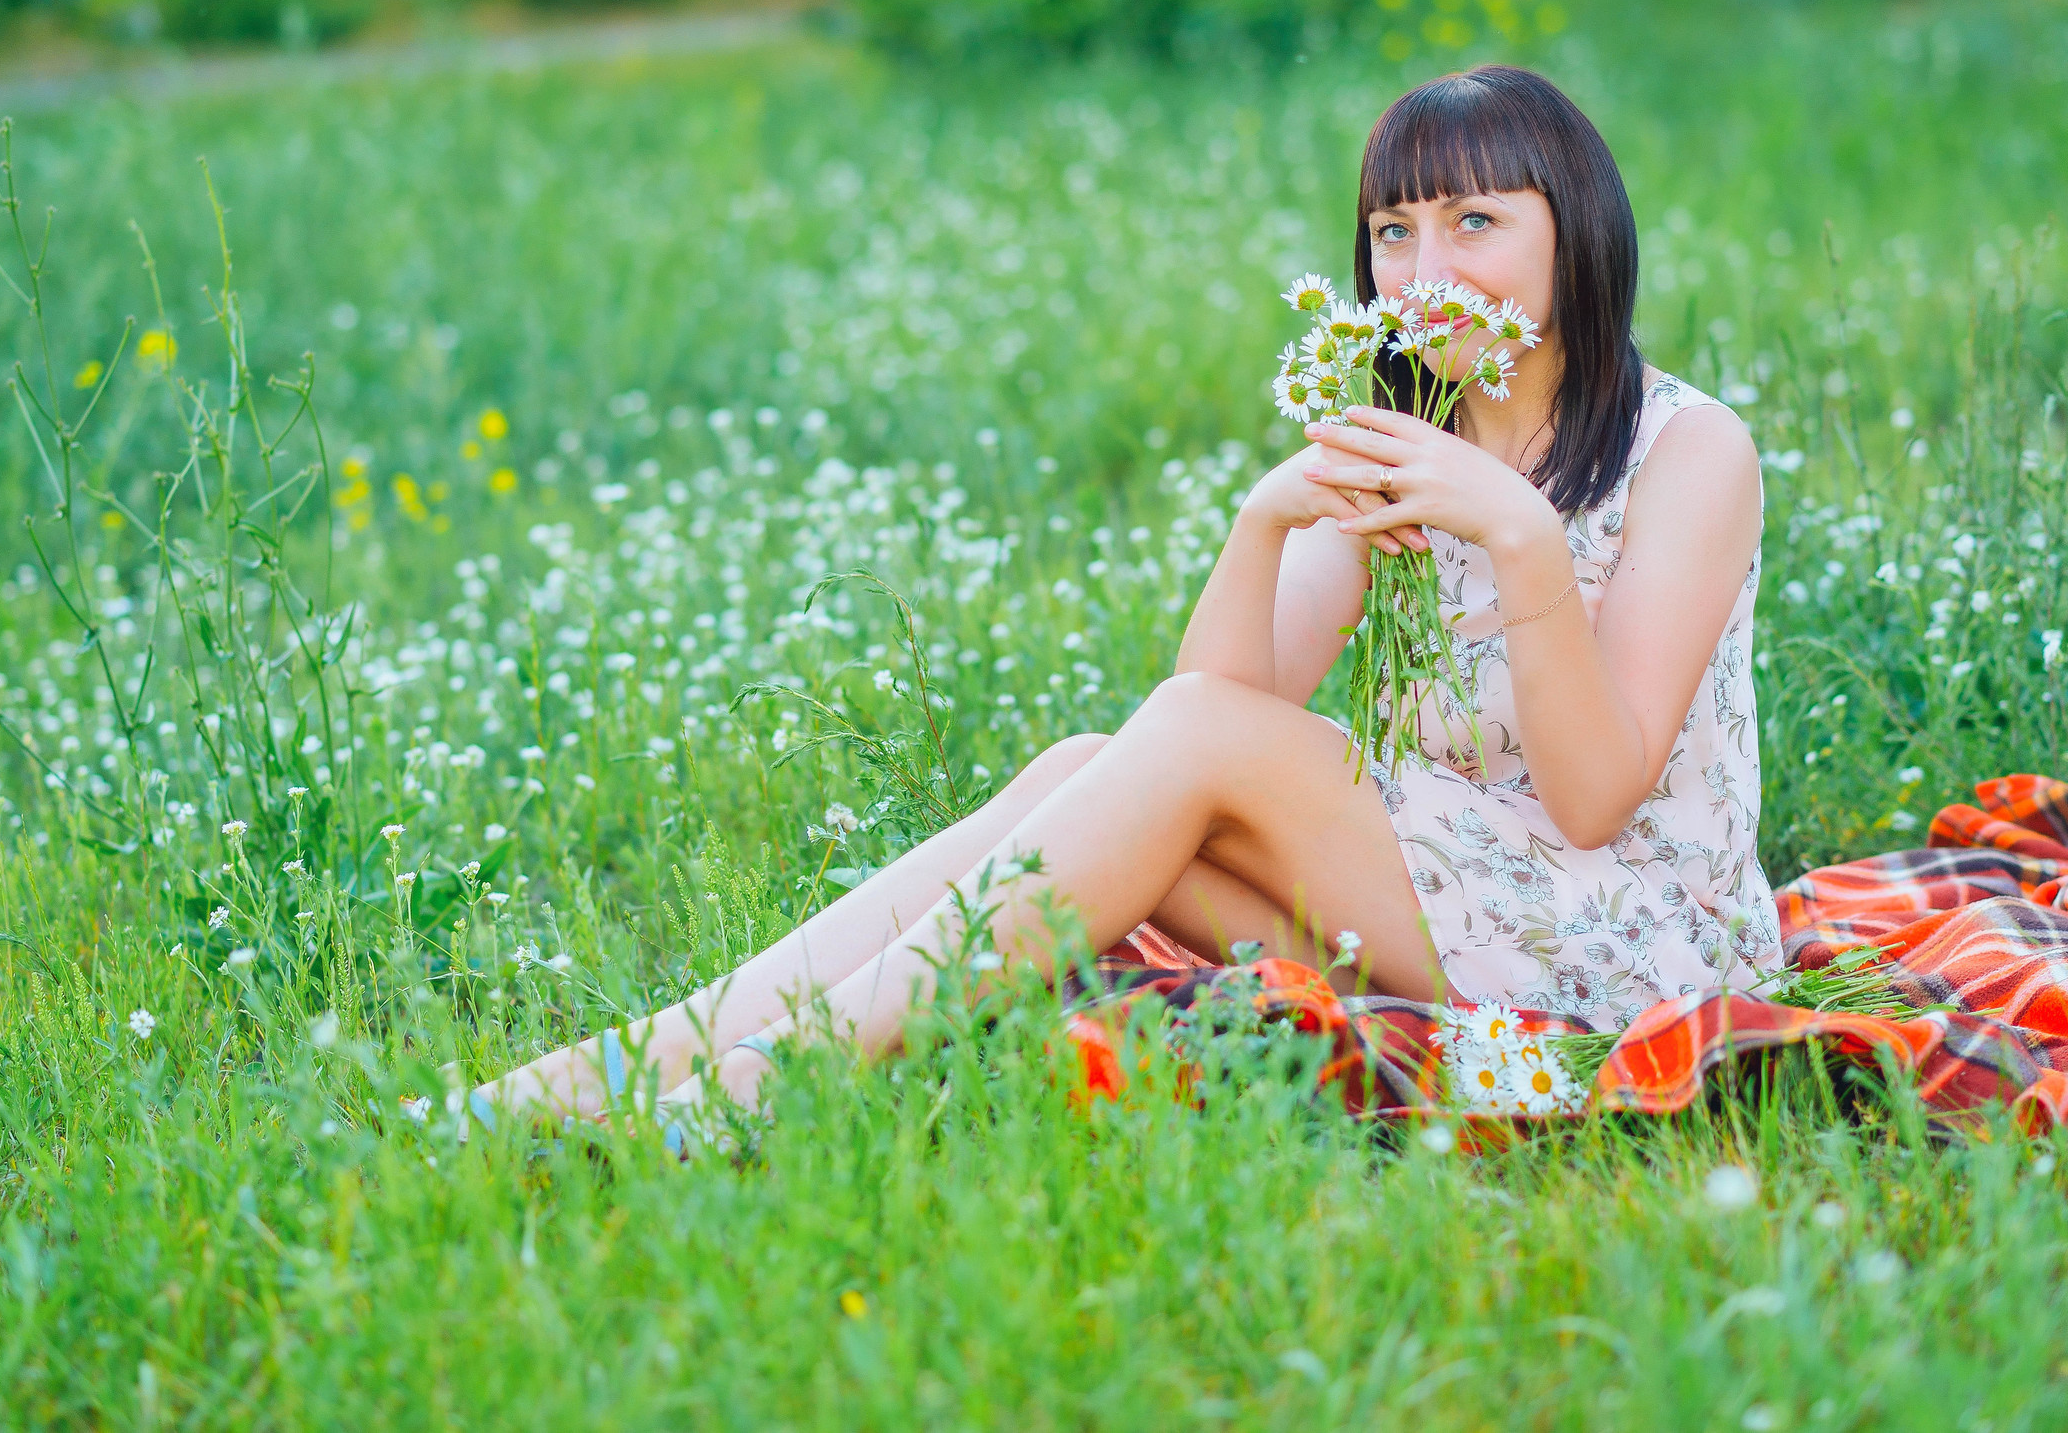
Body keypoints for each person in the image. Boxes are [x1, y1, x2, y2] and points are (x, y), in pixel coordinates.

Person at [478, 64, 1774, 1133]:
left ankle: (768, 1084)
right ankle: (630, 1065)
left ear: (1575, 231)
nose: (1422, 269)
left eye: (1474, 222)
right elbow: (1210, 714)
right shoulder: (1407, 440)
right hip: (1456, 904)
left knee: (1154, 757)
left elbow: (1597, 803)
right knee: (1083, 768)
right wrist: (1264, 523)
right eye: (1394, 231)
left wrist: (1521, 537)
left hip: (1633, 943)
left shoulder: (1686, 449)